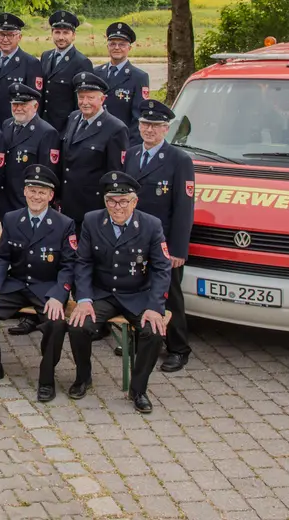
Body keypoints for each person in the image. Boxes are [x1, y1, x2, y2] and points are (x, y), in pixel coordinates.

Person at [67, 171, 171, 413]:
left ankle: (138, 389)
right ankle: (83, 378)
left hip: (137, 295)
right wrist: (83, 298)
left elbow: (162, 268)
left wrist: (155, 307)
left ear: (135, 202)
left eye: (124, 201)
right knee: (78, 326)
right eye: (112, 201)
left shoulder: (151, 225)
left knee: (153, 332)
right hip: (103, 293)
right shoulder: (92, 220)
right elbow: (82, 262)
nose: (117, 206)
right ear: (105, 201)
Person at [0, 164, 74, 401]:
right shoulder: (12, 218)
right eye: (32, 190)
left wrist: (58, 296)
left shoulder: (64, 224)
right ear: (25, 192)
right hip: (16, 284)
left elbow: (69, 266)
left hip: (45, 288)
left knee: (56, 322)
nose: (36, 196)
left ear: (51, 196)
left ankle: (47, 378)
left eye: (42, 192)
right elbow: (1, 258)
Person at [124, 100, 195, 373]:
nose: (149, 130)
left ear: (166, 129)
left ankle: (178, 348)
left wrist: (178, 249)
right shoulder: (130, 155)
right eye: (144, 124)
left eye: (155, 126)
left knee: (170, 295)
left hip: (164, 242)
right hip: (134, 238)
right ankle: (142, 339)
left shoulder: (180, 160)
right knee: (137, 289)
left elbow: (183, 208)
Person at [0, 83, 64, 338]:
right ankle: (17, 305)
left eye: (23, 105)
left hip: (32, 204)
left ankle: (34, 316)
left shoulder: (46, 132)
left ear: (35, 106)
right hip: (10, 203)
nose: (18, 108)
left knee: (35, 259)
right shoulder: (7, 126)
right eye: (15, 104)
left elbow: (47, 175)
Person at [59, 71, 131, 223]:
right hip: (68, 204)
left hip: (93, 208)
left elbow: (115, 174)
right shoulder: (73, 117)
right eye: (81, 97)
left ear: (102, 99)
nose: (85, 102)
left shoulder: (115, 129)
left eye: (90, 98)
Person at [0, 12, 42, 128]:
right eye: (1, 34)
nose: (5, 39)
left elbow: (34, 101)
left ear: (19, 37)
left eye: (10, 35)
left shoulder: (31, 63)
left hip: (14, 126)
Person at [38, 10, 94, 132]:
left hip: (65, 127)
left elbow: (82, 101)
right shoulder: (45, 56)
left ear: (73, 35)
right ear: (52, 33)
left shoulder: (82, 62)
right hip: (43, 124)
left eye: (66, 33)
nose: (61, 37)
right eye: (57, 32)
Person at [99, 21, 150, 143]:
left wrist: (129, 147)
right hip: (97, 141)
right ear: (107, 46)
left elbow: (138, 117)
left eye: (122, 44)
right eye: (113, 44)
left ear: (129, 48)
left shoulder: (139, 77)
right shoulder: (96, 73)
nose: (117, 48)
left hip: (121, 140)